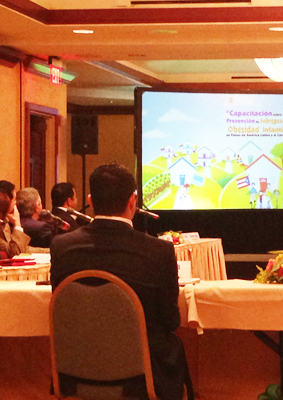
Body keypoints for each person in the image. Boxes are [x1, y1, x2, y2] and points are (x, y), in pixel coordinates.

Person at [50, 164, 194, 400]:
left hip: (76, 372)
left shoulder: (61, 247)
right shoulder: (159, 252)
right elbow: (171, 321)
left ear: (90, 201)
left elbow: (63, 308)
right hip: (143, 376)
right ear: (133, 201)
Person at [0, 180, 30, 257]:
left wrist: (51, 250)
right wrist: (17, 225)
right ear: (6, 201)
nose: (15, 203)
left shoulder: (4, 222)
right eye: (14, 199)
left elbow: (22, 248)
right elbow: (14, 253)